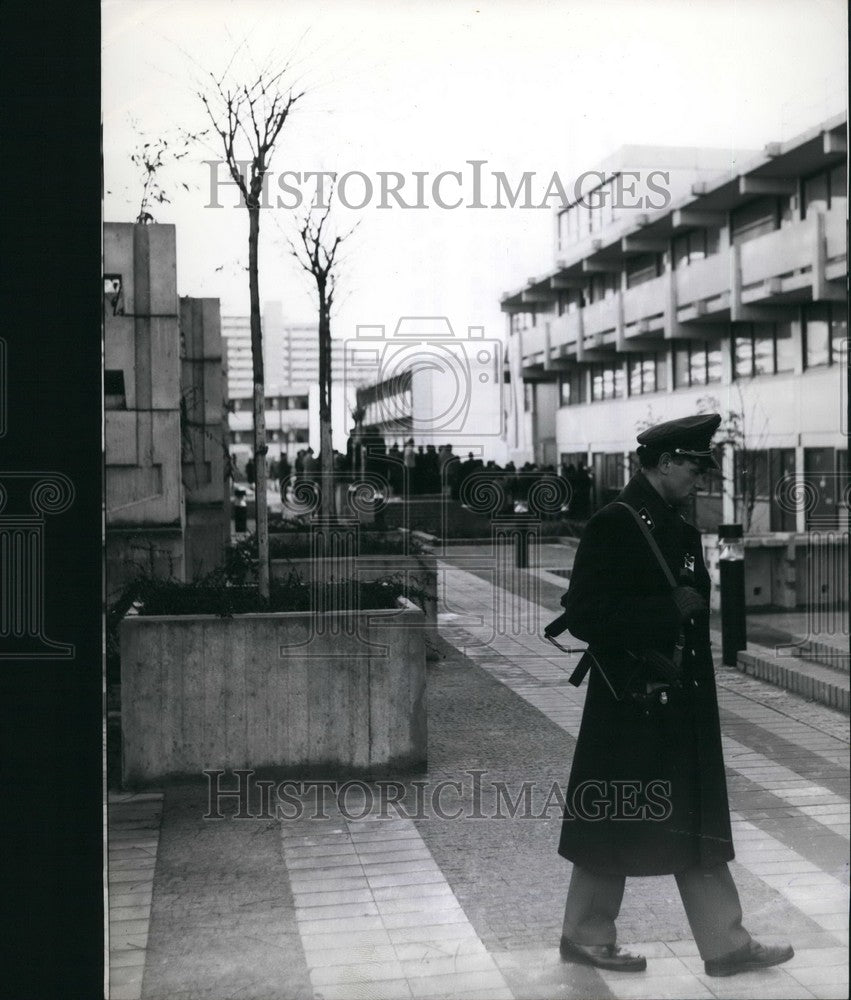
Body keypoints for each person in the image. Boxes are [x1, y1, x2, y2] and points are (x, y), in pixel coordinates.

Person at [553, 414, 793, 977]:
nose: (699, 479)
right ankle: (585, 936)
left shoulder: (678, 528)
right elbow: (584, 615)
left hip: (680, 699)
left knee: (696, 815)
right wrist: (662, 611)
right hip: (630, 704)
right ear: (664, 463)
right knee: (613, 814)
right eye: (693, 466)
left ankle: (725, 942)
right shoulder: (617, 523)